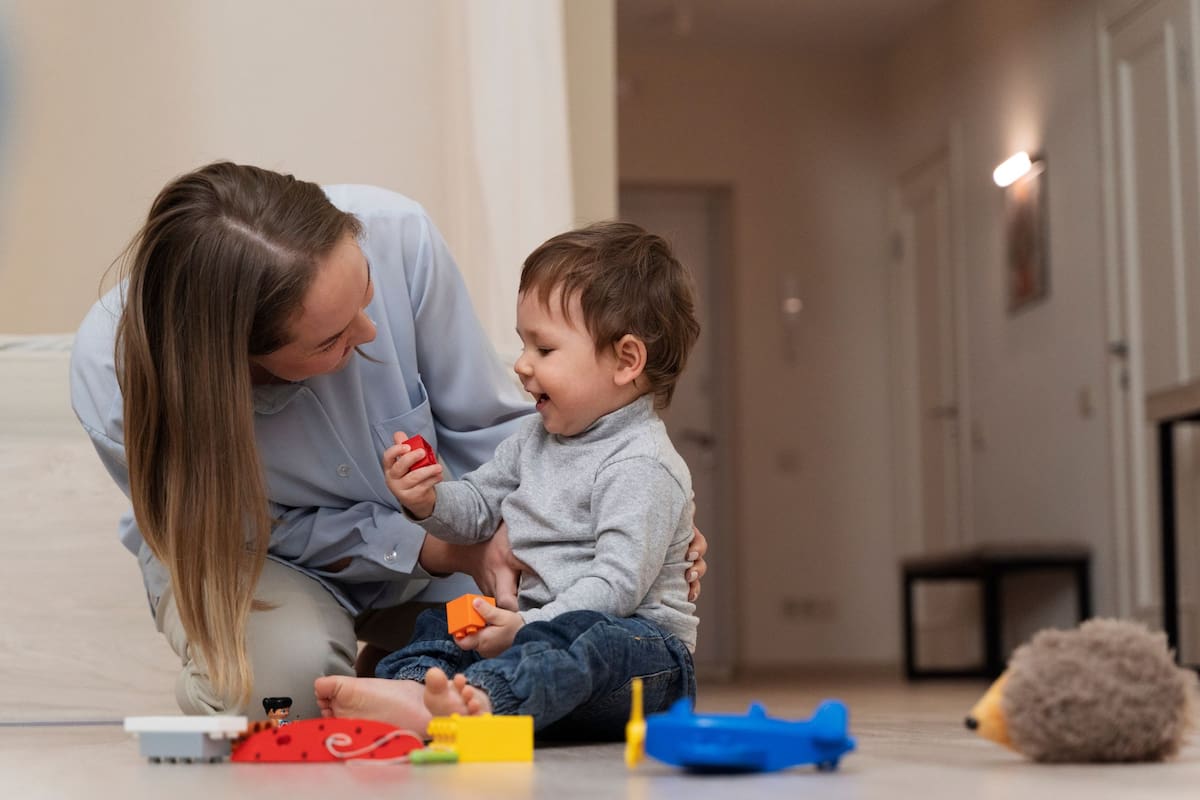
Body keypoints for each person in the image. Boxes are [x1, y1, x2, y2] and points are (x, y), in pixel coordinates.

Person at [69, 162, 708, 721]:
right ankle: (396, 684)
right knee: (282, 696)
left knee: (521, 643)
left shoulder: (397, 234)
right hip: (253, 552)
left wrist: (611, 525)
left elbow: (498, 434)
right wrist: (431, 542)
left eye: (367, 297)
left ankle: (404, 682)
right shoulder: (115, 382)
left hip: (490, 568)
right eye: (330, 341)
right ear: (242, 359)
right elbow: (236, 528)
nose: (372, 332)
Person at [313, 221, 699, 740]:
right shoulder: (534, 440)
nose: (521, 365)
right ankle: (414, 689)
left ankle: (484, 703)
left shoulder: (642, 463)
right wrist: (427, 501)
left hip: (643, 656)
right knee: (444, 622)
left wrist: (528, 629)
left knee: (590, 643)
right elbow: (475, 509)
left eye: (544, 349)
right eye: (523, 345)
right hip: (536, 629)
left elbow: (616, 586)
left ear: (626, 360)